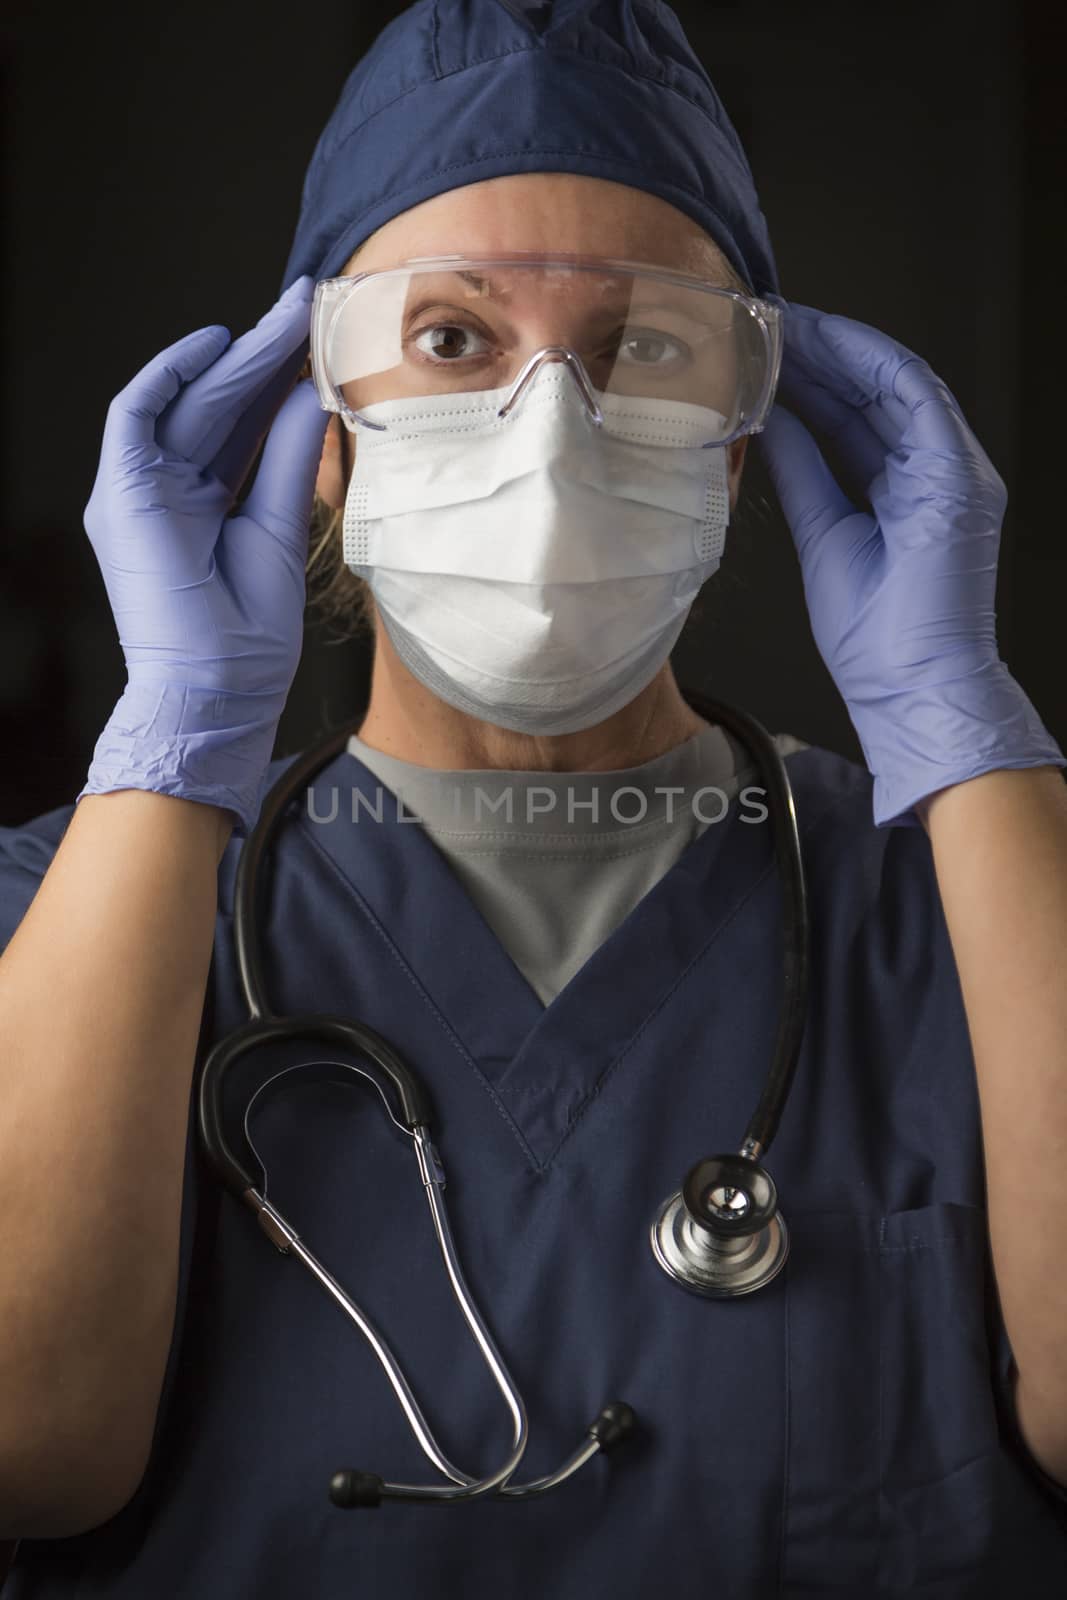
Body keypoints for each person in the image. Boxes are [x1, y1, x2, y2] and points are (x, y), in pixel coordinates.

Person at [2, 1, 1066, 1594]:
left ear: (729, 448)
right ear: (328, 434)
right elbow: (25, 1445)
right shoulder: (62, 912)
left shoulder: (971, 905)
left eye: (642, 345)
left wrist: (969, 739)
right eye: (452, 339)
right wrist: (175, 740)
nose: (550, 432)